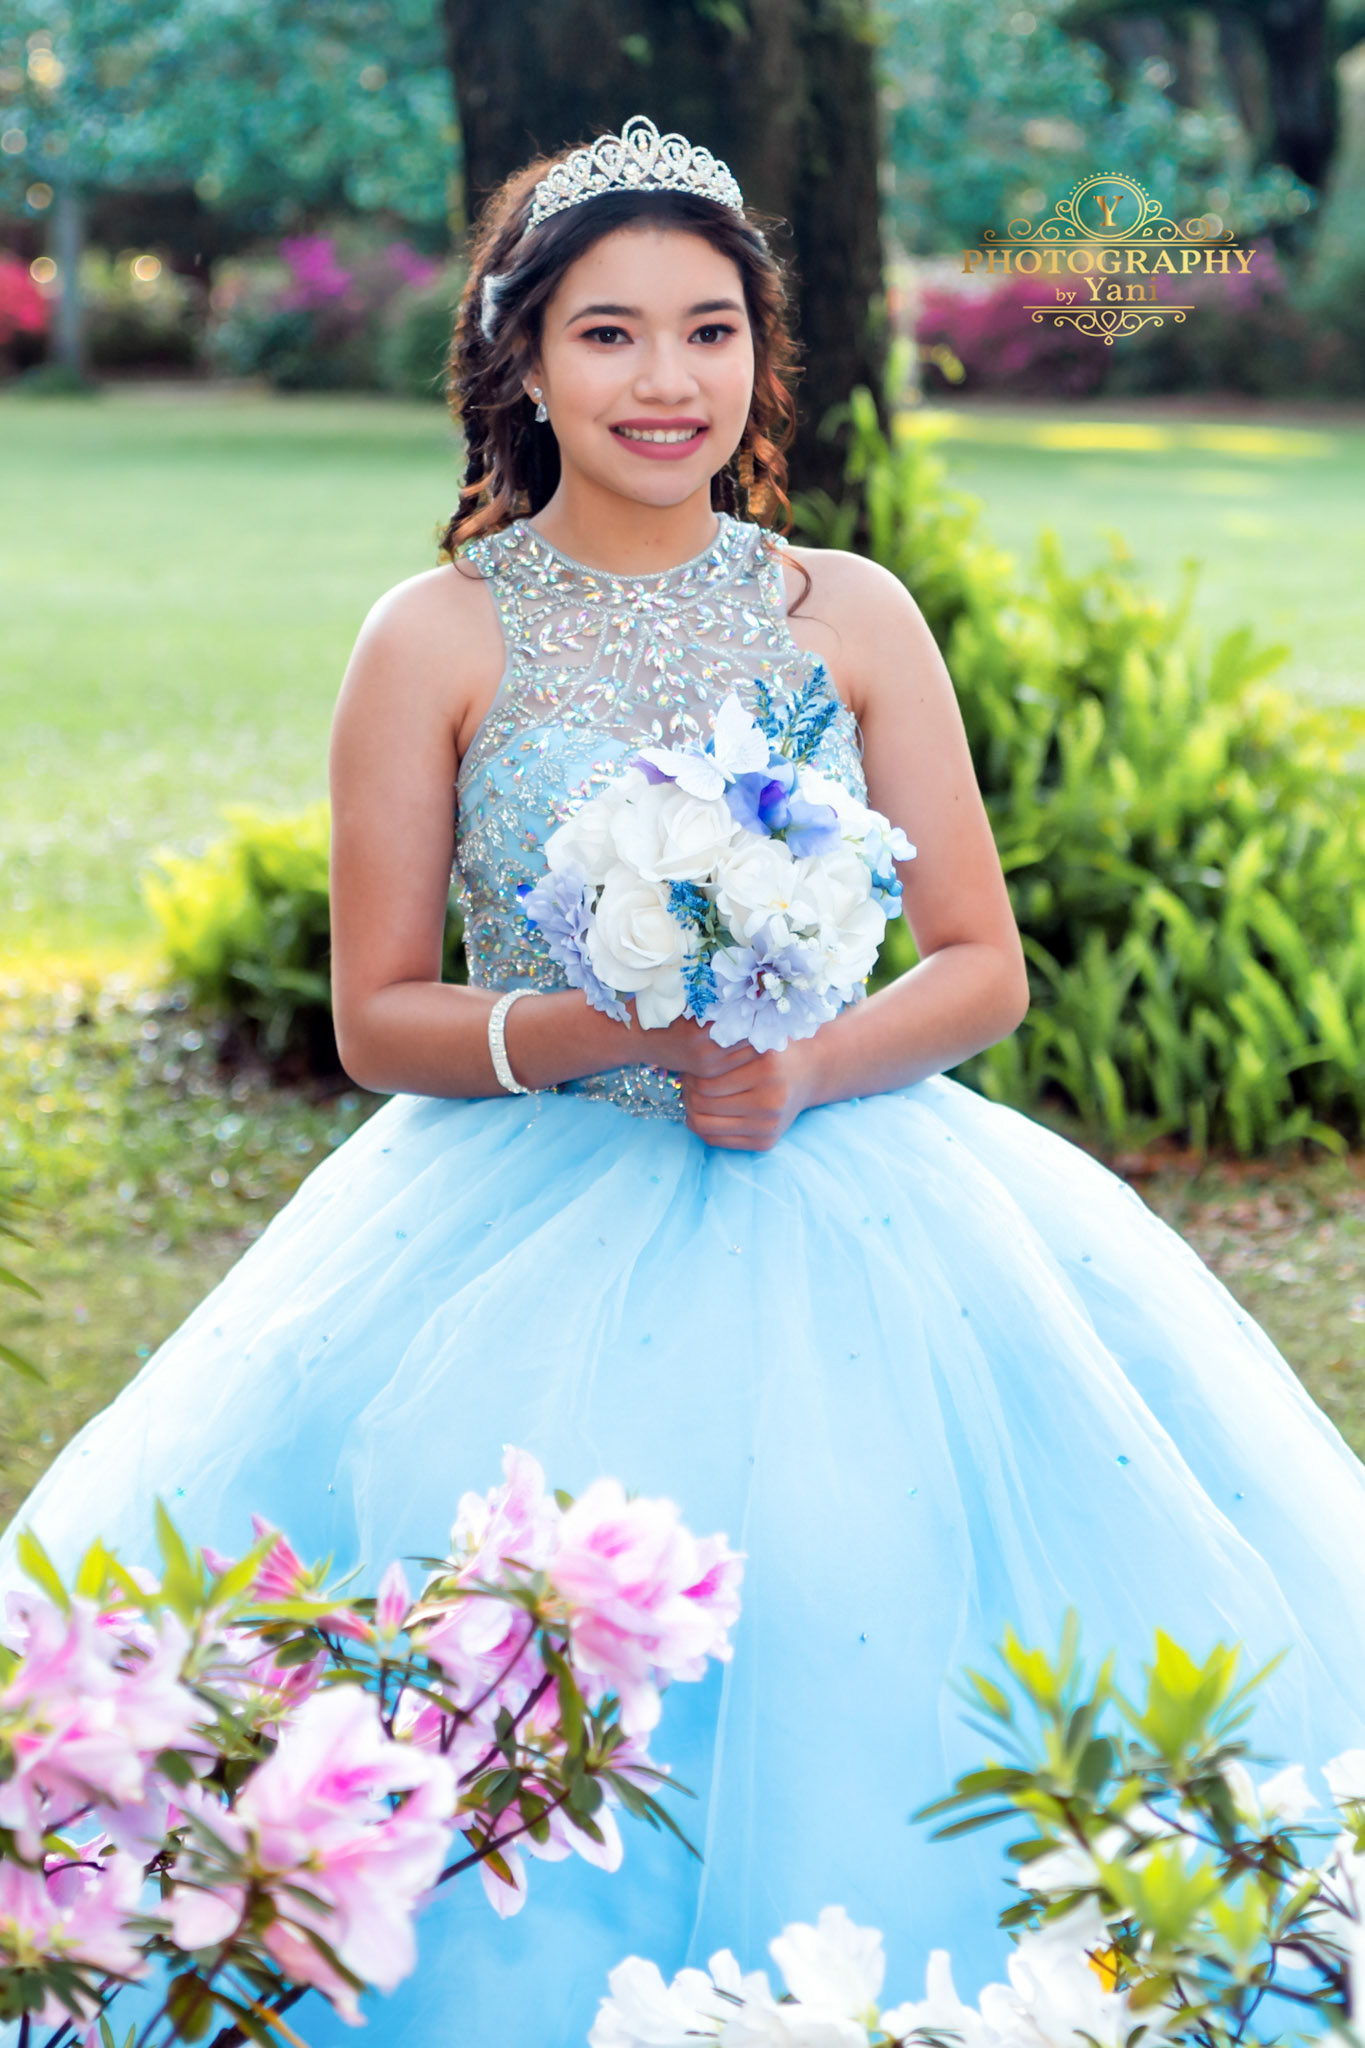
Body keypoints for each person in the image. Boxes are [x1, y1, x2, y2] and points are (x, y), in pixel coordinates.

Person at [5, 114, 1365, 2047]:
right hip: (518, 1201)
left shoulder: (847, 612)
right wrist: (592, 1030)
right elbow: (376, 1015)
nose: (667, 381)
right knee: (518, 1639)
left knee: (868, 1582)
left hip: (861, 1186)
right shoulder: (435, 636)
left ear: (757, 355)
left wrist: (806, 1064)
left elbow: (979, 964)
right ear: (521, 361)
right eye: (610, 333)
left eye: (708, 331)